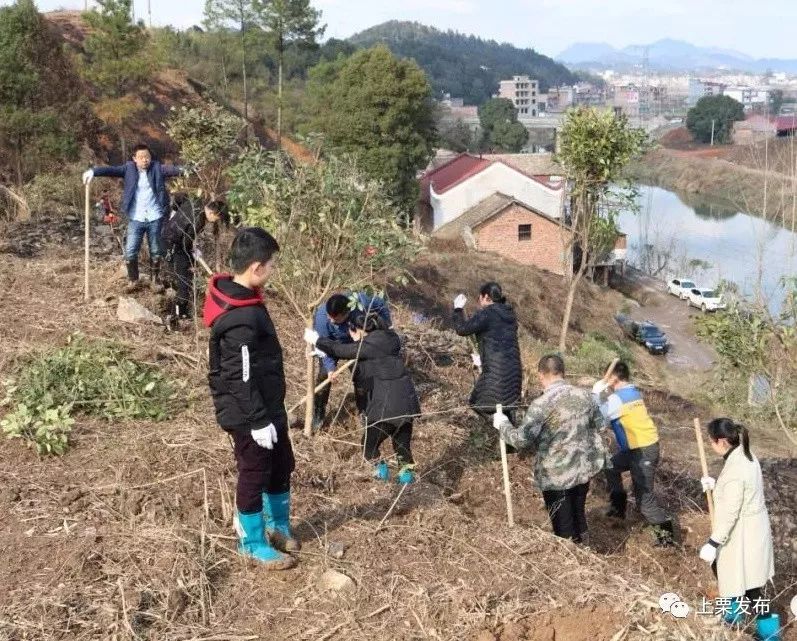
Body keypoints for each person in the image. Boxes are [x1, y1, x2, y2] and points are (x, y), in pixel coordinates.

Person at [203, 227, 297, 570]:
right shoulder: (240, 318)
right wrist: (257, 420)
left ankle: (278, 526)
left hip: (267, 405)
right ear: (256, 267)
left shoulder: (247, 299)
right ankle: (252, 541)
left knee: (281, 463)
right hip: (248, 413)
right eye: (271, 265)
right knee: (254, 471)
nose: (273, 271)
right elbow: (238, 375)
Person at [493, 354, 608, 545]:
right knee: (578, 514)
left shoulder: (541, 405)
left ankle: (573, 563)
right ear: (563, 372)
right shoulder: (586, 396)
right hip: (583, 470)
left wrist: (503, 425)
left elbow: (521, 440)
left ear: (541, 375)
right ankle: (586, 551)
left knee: (564, 529)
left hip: (557, 475)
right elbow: (601, 425)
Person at [304, 310, 420, 483]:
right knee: (402, 448)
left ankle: (381, 480)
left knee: (368, 447)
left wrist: (317, 340)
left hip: (385, 407)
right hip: (407, 403)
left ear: (358, 330)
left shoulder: (367, 347)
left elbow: (339, 349)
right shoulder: (391, 337)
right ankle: (407, 485)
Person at [698, 418, 778, 640]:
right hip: (753, 530)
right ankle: (733, 620)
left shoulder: (735, 469)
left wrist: (713, 542)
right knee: (736, 580)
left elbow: (731, 512)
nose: (711, 446)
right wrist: (717, 487)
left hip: (742, 535)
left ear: (721, 441)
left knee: (749, 588)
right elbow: (743, 492)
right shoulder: (746, 455)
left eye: (711, 441)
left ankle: (770, 635)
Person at [592, 361, 675, 547]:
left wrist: (596, 395)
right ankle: (618, 508)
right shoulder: (631, 392)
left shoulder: (619, 398)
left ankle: (667, 541)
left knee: (645, 500)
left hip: (643, 450)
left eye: (606, 377)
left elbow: (599, 419)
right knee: (611, 466)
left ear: (612, 378)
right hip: (634, 448)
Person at [83, 143, 185, 292]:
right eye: (141, 157)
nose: (145, 160)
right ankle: (133, 281)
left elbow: (173, 170)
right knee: (130, 250)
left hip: (155, 217)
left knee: (156, 250)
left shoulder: (157, 168)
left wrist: (188, 170)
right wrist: (93, 171)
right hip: (136, 217)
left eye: (147, 157)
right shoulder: (128, 169)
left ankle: (155, 281)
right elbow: (111, 169)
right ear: (134, 159)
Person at [311, 291, 392, 429]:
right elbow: (323, 345)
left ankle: (363, 411)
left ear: (347, 313)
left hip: (355, 344)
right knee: (323, 376)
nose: (331, 321)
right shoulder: (321, 317)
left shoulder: (361, 302)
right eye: (330, 317)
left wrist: (386, 326)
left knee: (362, 376)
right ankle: (319, 413)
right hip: (332, 345)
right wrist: (330, 369)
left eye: (335, 319)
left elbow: (380, 304)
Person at [452, 282, 522, 423]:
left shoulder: (487, 314)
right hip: (515, 373)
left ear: (485, 297)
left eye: (479, 298)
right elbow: (498, 340)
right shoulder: (510, 315)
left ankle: (500, 429)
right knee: (505, 407)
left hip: (496, 374)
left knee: (477, 403)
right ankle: (509, 438)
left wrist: (458, 309)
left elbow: (462, 329)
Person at [162, 197, 227, 320]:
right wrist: (192, 256)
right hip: (175, 244)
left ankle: (182, 310)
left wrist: (175, 214)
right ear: (212, 213)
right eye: (216, 219)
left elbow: (178, 198)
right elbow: (186, 244)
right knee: (184, 280)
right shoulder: (199, 220)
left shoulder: (195, 201)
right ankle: (178, 314)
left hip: (168, 235)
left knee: (184, 277)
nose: (213, 222)